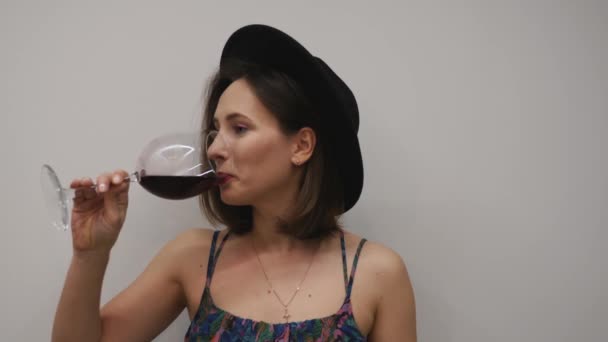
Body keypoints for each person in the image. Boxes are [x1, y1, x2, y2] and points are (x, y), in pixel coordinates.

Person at [52, 24, 416, 341]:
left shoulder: (377, 273)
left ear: (301, 146)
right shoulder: (193, 258)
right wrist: (91, 254)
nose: (213, 148)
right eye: (214, 131)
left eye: (238, 128)